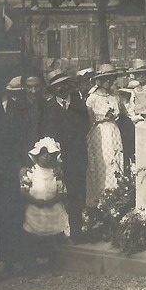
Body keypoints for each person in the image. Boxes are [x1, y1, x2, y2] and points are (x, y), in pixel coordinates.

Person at [0, 76, 27, 277]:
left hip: (17, 167)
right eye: (13, 93)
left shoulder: (21, 110)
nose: (16, 97)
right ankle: (6, 261)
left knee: (19, 214)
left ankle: (20, 260)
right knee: (1, 216)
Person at [44, 68, 88, 241]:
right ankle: (59, 232)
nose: (61, 89)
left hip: (77, 155)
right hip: (60, 157)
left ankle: (77, 231)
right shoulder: (50, 108)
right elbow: (48, 132)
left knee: (77, 193)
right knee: (59, 194)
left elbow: (86, 125)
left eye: (63, 85)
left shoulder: (77, 103)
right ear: (53, 90)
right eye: (57, 87)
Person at [19, 138, 69, 274]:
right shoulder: (31, 172)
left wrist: (53, 200)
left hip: (53, 211)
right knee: (32, 239)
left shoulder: (56, 173)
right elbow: (23, 190)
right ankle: (31, 266)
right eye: (43, 152)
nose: (46, 156)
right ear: (36, 155)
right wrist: (34, 200)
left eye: (49, 153)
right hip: (35, 211)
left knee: (54, 240)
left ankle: (54, 265)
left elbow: (62, 191)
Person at [85, 63, 124, 206]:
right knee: (103, 164)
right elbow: (89, 120)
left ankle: (116, 199)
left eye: (111, 78)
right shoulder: (92, 98)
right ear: (99, 80)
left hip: (114, 132)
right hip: (99, 134)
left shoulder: (116, 96)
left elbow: (125, 113)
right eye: (105, 78)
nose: (108, 81)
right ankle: (100, 200)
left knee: (116, 161)